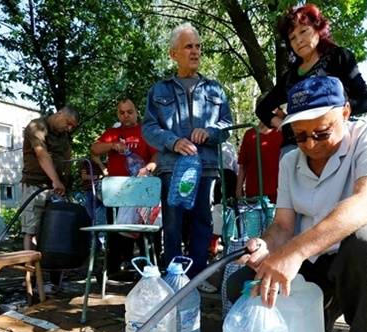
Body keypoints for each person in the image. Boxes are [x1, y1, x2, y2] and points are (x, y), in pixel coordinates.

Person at [228, 76, 367, 332]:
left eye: (322, 133)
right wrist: (266, 246)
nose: (311, 144)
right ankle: (325, 308)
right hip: (316, 262)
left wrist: (293, 253)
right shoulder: (290, 161)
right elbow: (283, 226)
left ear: (346, 112)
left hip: (363, 258)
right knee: (239, 284)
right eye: (300, 136)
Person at [142, 22, 233, 292]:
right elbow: (148, 128)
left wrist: (210, 132)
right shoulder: (159, 90)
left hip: (205, 168)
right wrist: (173, 141)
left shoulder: (215, 90)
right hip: (172, 167)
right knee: (172, 225)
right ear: (174, 54)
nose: (195, 52)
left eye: (198, 46)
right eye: (188, 47)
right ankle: (173, 280)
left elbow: (226, 126)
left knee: (202, 224)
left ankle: (197, 278)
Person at [256, 3, 367, 159]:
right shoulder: (290, 76)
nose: (299, 40)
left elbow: (366, 101)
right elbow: (262, 109)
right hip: (295, 148)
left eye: (303, 31)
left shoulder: (339, 57)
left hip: (335, 142)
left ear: (318, 29)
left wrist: (332, 114)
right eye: (292, 38)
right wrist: (285, 126)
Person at [91, 98, 158, 275]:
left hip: (140, 189)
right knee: (115, 232)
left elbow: (156, 156)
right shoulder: (113, 132)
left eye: (130, 111)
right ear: (117, 114)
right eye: (122, 112)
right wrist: (113, 145)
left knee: (145, 232)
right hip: (116, 191)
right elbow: (95, 149)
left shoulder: (146, 131)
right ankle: (113, 270)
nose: (126, 115)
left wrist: (150, 167)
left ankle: (148, 269)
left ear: (136, 112)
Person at [20, 106, 79, 292]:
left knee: (59, 232)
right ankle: (29, 278)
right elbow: (41, 153)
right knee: (31, 230)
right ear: (60, 114)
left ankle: (56, 279)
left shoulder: (63, 136)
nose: (69, 128)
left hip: (59, 190)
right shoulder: (37, 126)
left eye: (72, 127)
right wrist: (55, 180)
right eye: (68, 123)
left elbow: (66, 159)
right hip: (36, 185)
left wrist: (65, 184)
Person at [236, 122, 283, 203]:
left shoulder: (282, 133)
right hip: (253, 194)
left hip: (278, 193)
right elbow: (243, 165)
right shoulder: (249, 134)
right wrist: (238, 190)